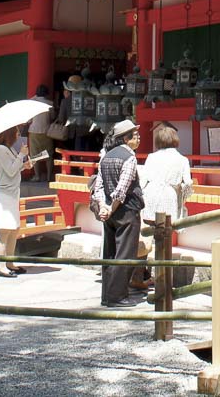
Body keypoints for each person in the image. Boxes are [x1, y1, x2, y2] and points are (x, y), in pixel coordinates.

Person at [92, 119, 144, 307]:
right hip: (126, 211)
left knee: (110, 253)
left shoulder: (106, 156)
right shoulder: (129, 157)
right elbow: (122, 188)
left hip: (109, 212)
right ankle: (118, 296)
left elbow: (98, 185)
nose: (138, 138)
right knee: (125, 254)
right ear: (126, 138)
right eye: (135, 135)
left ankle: (107, 295)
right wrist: (111, 207)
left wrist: (104, 207)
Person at [0, 125, 33, 277]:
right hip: (3, 195)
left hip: (13, 193)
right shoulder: (0, 149)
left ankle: (9, 262)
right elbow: (9, 171)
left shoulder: (10, 149)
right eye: (16, 132)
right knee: (4, 230)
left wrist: (24, 165)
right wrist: (21, 155)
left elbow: (14, 169)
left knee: (14, 229)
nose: (17, 135)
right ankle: (1, 265)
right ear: (8, 133)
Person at [26, 86, 55, 182]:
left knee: (34, 154)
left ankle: (37, 176)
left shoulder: (31, 103)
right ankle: (49, 176)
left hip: (34, 131)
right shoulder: (50, 103)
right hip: (47, 132)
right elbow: (53, 117)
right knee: (49, 154)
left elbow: (29, 120)